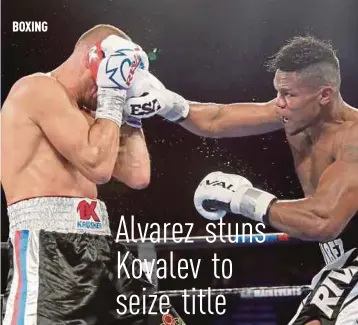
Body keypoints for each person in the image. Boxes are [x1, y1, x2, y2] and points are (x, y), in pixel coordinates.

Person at [123, 36, 358, 325]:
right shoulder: (295, 117)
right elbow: (217, 119)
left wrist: (243, 198)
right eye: (277, 93)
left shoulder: (353, 139)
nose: (279, 104)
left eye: (289, 95)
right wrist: (170, 104)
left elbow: (324, 220)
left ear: (325, 94)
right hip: (340, 264)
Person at [1, 24, 184, 324]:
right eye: (112, 79)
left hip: (103, 248)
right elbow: (98, 167)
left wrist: (130, 109)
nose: (109, 94)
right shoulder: (37, 89)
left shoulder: (93, 115)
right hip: (51, 254)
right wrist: (112, 94)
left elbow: (138, 174)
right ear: (93, 59)